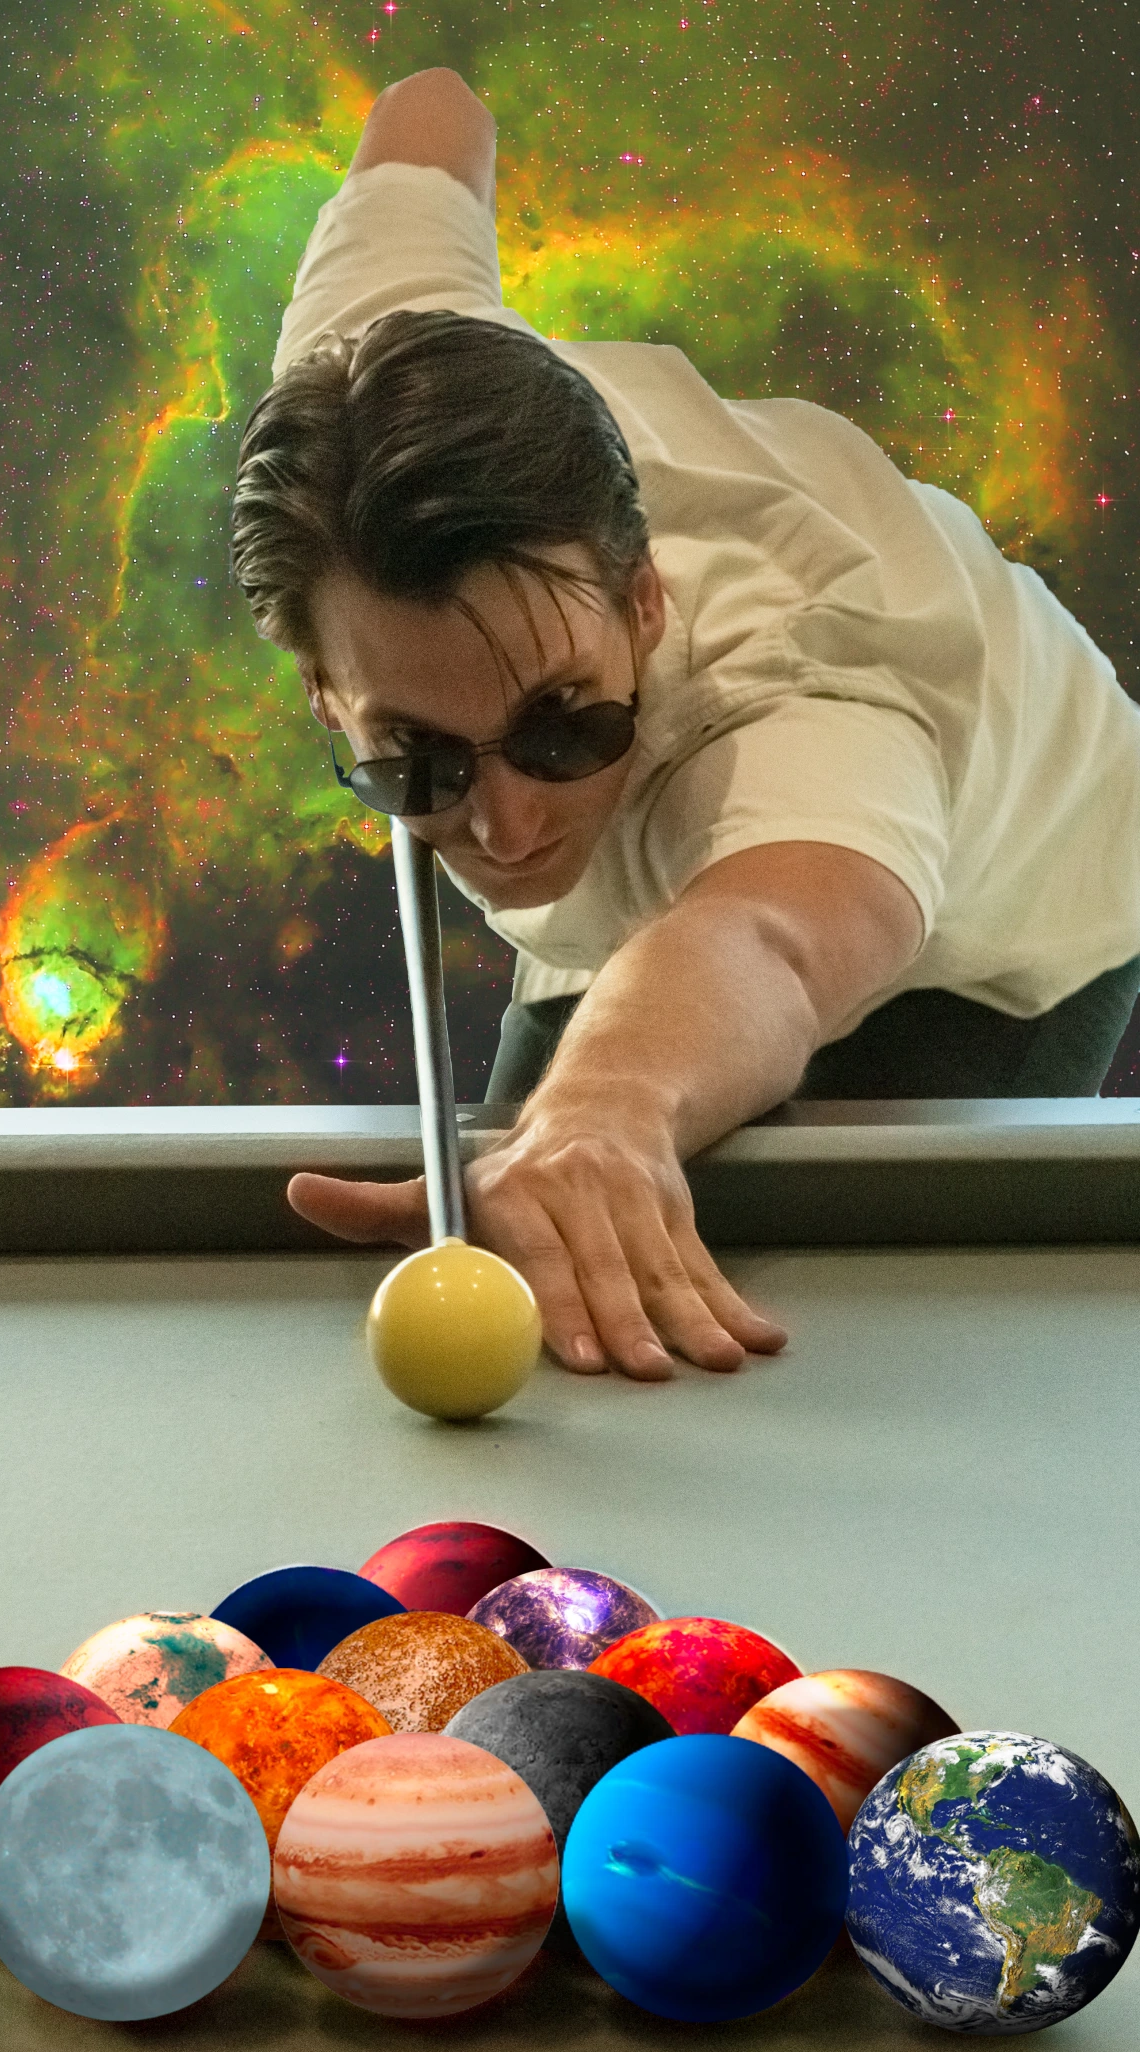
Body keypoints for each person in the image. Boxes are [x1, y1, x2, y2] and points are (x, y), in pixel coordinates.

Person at [228, 67, 1140, 1384]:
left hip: (1020, 905)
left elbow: (766, 936)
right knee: (551, 1207)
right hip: (667, 921)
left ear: (645, 601)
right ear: (323, 686)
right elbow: (432, 112)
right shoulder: (369, 393)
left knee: (847, 1343)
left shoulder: (802, 695)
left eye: (558, 726)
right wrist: (589, 1117)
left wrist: (610, 1102)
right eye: (417, 761)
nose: (506, 821)